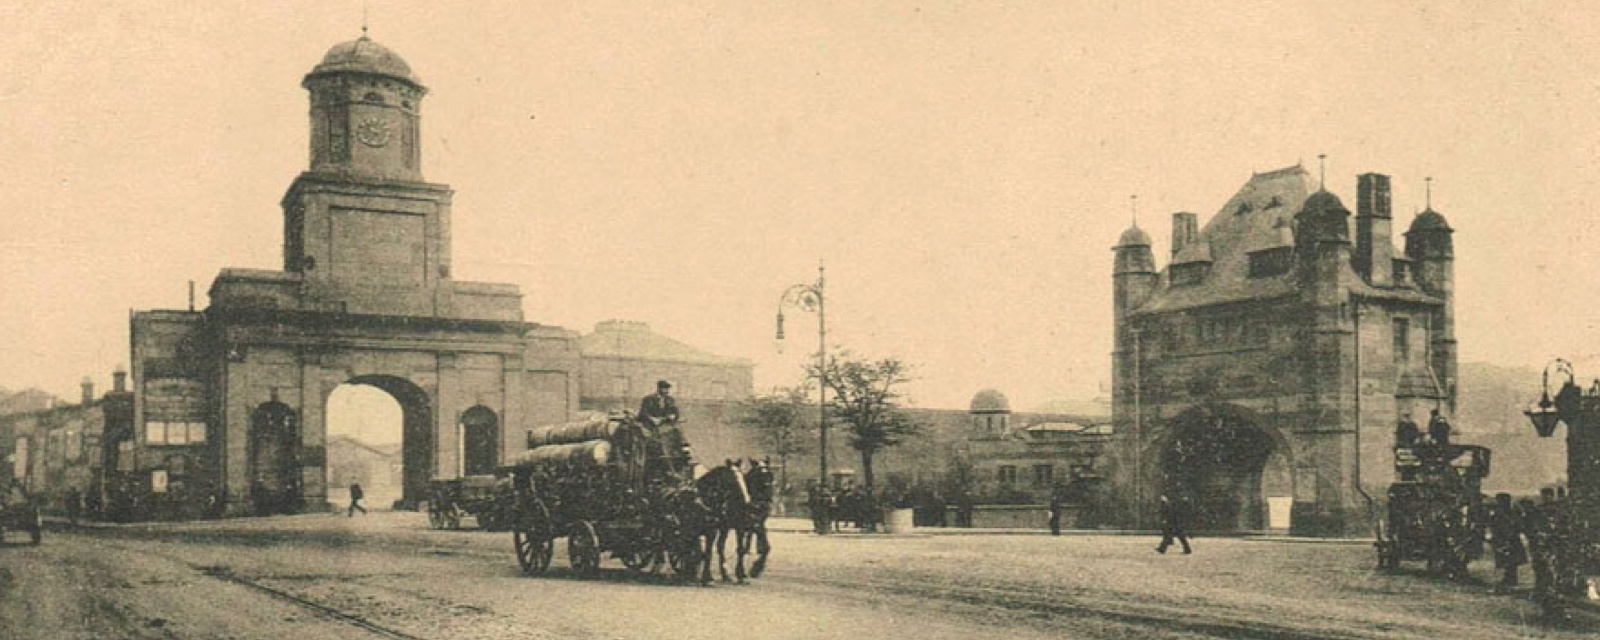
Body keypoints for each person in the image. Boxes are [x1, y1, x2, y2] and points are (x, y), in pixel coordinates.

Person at [1488, 493, 1527, 589]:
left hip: (1508, 539)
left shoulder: (1504, 513)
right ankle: (1509, 578)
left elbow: (1504, 526)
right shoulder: (1508, 512)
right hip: (1508, 539)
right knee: (1509, 560)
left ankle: (1511, 579)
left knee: (1509, 559)